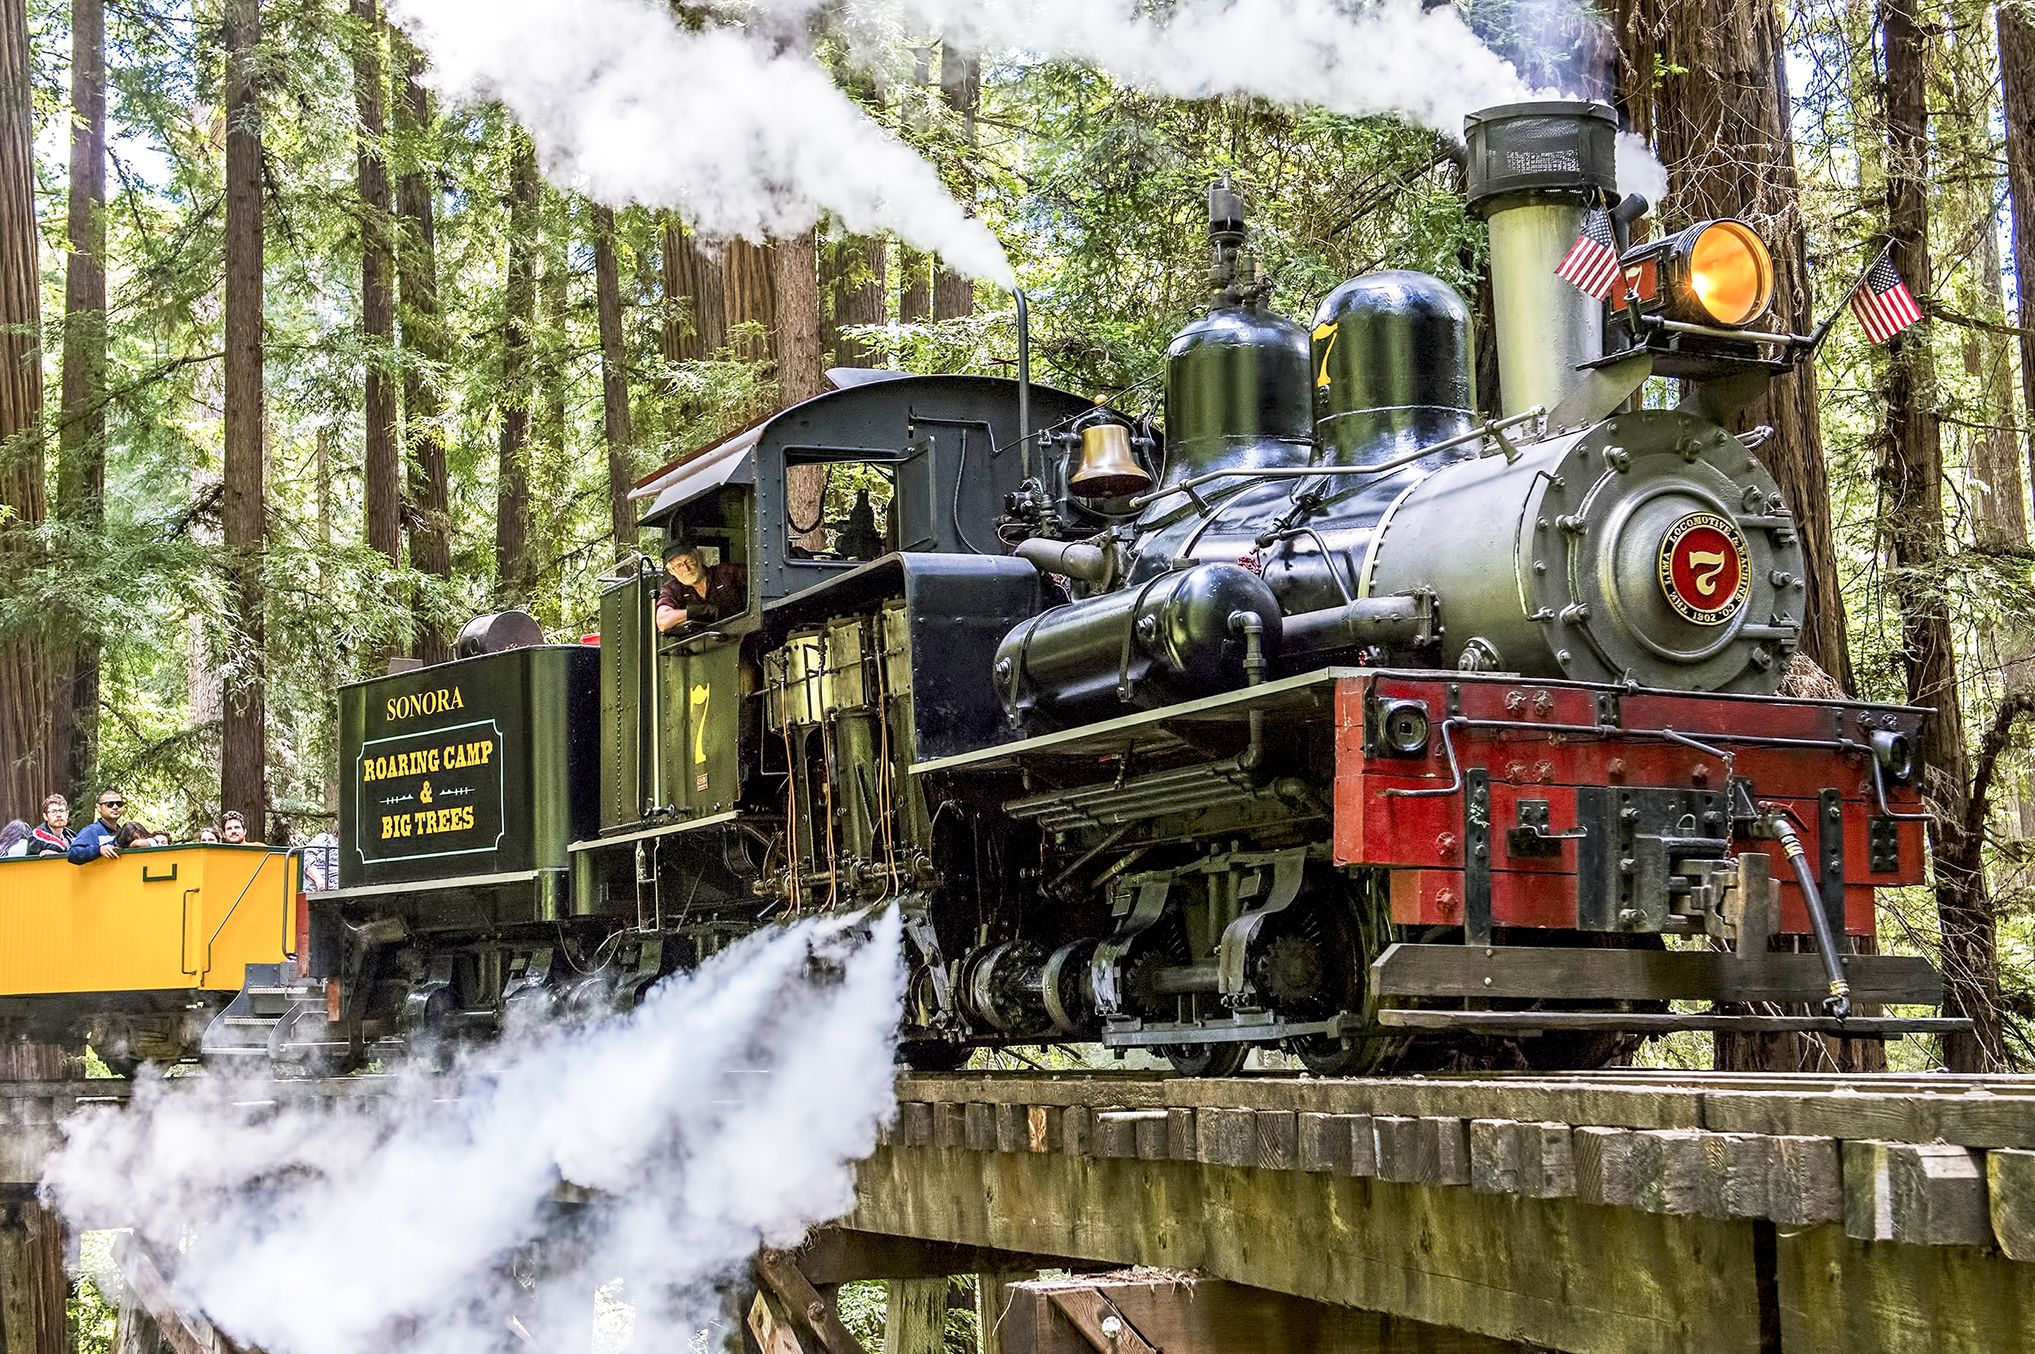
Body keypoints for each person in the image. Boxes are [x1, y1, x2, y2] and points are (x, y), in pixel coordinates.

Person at [654, 541, 746, 634]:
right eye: (679, 566)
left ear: (697, 557)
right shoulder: (673, 589)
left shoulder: (726, 573)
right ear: (671, 571)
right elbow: (663, 621)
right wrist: (703, 611)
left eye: (689, 561)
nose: (687, 569)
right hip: (699, 645)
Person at [68, 791, 126, 863]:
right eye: (109, 804)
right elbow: (73, 853)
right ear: (99, 808)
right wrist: (99, 850)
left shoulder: (122, 832)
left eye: (119, 804)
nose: (115, 807)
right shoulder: (92, 831)